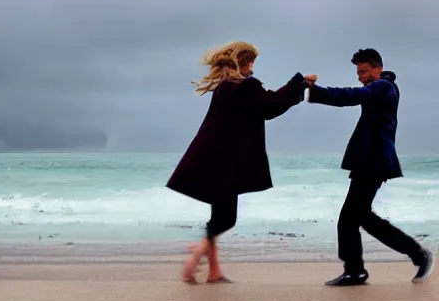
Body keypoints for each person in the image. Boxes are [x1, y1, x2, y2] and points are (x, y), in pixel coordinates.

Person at [166, 41, 316, 283]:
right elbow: (270, 106)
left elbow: (265, 103)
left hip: (212, 159)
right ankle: (198, 253)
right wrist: (299, 83)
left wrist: (294, 86)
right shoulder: (243, 87)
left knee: (218, 217)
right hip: (225, 163)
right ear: (244, 63)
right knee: (226, 219)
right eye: (252, 62)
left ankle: (214, 272)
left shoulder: (226, 86)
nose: (253, 68)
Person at [306, 48, 434, 286]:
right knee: (356, 217)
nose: (360, 77)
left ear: (378, 68)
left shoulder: (384, 87)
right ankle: (359, 269)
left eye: (364, 71)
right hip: (369, 161)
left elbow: (350, 96)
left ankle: (415, 254)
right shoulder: (379, 88)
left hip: (374, 162)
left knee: (352, 218)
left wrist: (315, 91)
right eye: (358, 72)